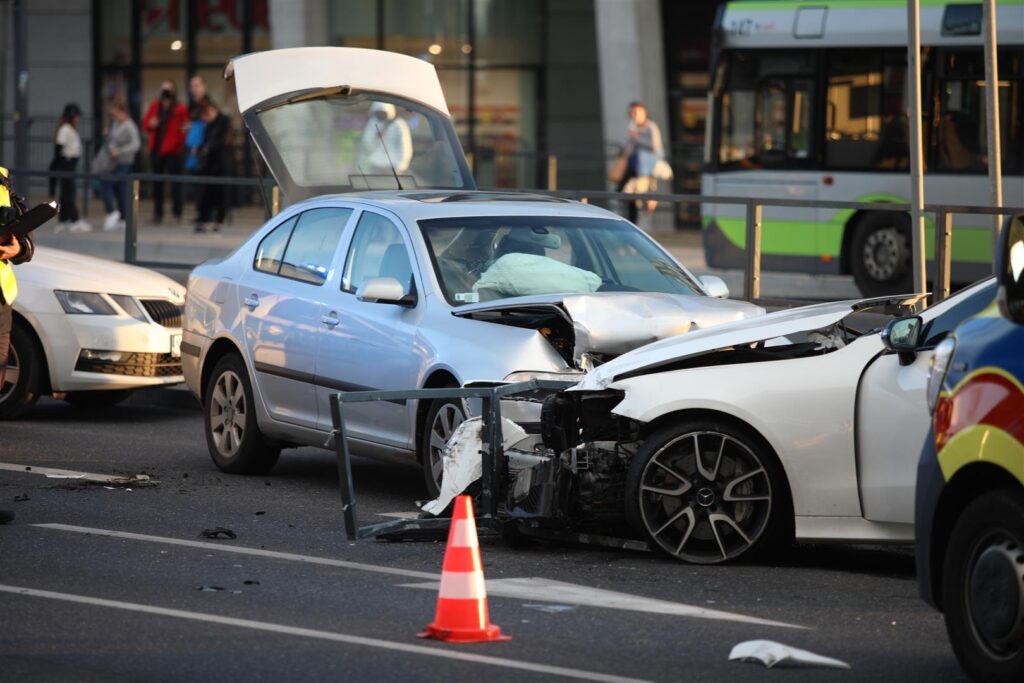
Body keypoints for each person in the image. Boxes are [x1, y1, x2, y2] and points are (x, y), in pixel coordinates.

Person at [142, 80, 189, 223]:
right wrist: (151, 124)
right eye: (164, 90)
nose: (166, 93)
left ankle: (177, 213)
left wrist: (178, 141)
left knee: (176, 183)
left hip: (174, 151)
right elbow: (145, 125)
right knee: (157, 184)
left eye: (169, 90)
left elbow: (185, 127)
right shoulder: (155, 106)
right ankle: (158, 214)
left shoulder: (180, 108)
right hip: (157, 150)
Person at [616, 101, 664, 224]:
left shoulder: (650, 127)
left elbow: (655, 147)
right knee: (626, 193)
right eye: (631, 113)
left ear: (644, 113)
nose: (633, 115)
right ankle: (633, 221)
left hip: (645, 169)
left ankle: (638, 216)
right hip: (633, 168)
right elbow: (627, 147)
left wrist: (636, 138)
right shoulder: (633, 127)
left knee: (638, 194)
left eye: (636, 112)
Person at [99, 97, 141, 231]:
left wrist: (121, 151)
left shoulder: (129, 125)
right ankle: (123, 217)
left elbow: (136, 144)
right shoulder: (115, 124)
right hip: (113, 161)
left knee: (110, 184)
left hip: (124, 161)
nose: (114, 116)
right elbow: (112, 141)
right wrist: (107, 135)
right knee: (120, 189)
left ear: (122, 112)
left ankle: (113, 213)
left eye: (115, 113)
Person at [51, 103, 91, 233]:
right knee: (69, 193)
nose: (78, 119)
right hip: (66, 163)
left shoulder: (69, 129)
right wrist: (59, 165)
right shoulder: (65, 129)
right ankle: (75, 220)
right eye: (76, 116)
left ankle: (63, 220)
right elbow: (59, 148)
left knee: (65, 194)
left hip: (70, 163)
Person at [194, 99, 232, 234]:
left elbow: (220, 143)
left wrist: (206, 149)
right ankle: (205, 219)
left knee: (219, 194)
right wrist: (200, 149)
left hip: (220, 164)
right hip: (210, 164)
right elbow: (206, 141)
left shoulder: (223, 123)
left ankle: (218, 220)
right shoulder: (210, 126)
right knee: (206, 193)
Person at [357, 102, 412, 178]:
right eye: (378, 112)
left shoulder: (399, 124)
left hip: (392, 168)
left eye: (383, 112)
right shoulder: (372, 123)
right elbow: (367, 144)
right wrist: (376, 138)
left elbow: (405, 146)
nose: (381, 114)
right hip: (376, 166)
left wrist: (401, 166)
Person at [184, 75, 208, 174]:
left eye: (197, 86)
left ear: (204, 87)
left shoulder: (209, 106)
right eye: (192, 86)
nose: (194, 89)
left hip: (204, 157)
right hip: (190, 156)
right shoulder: (190, 106)